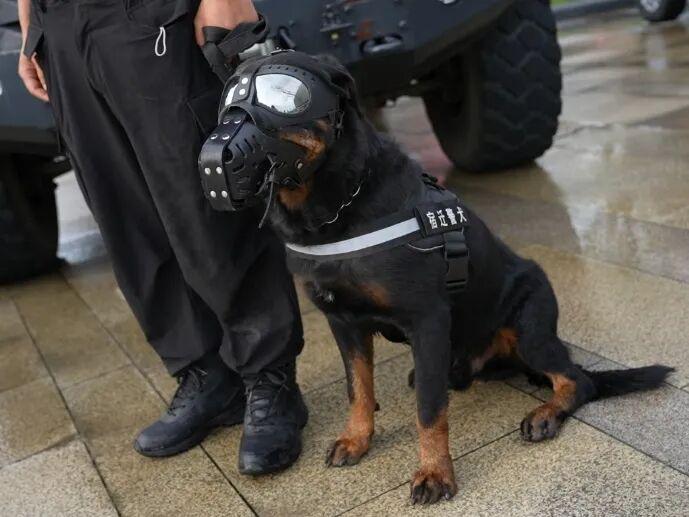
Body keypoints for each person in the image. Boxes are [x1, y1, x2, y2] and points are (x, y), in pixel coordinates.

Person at [17, 0, 308, 476]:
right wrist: (31, 23)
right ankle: (206, 376)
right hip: (60, 26)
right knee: (124, 215)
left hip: (148, 17)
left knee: (202, 198)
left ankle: (269, 378)